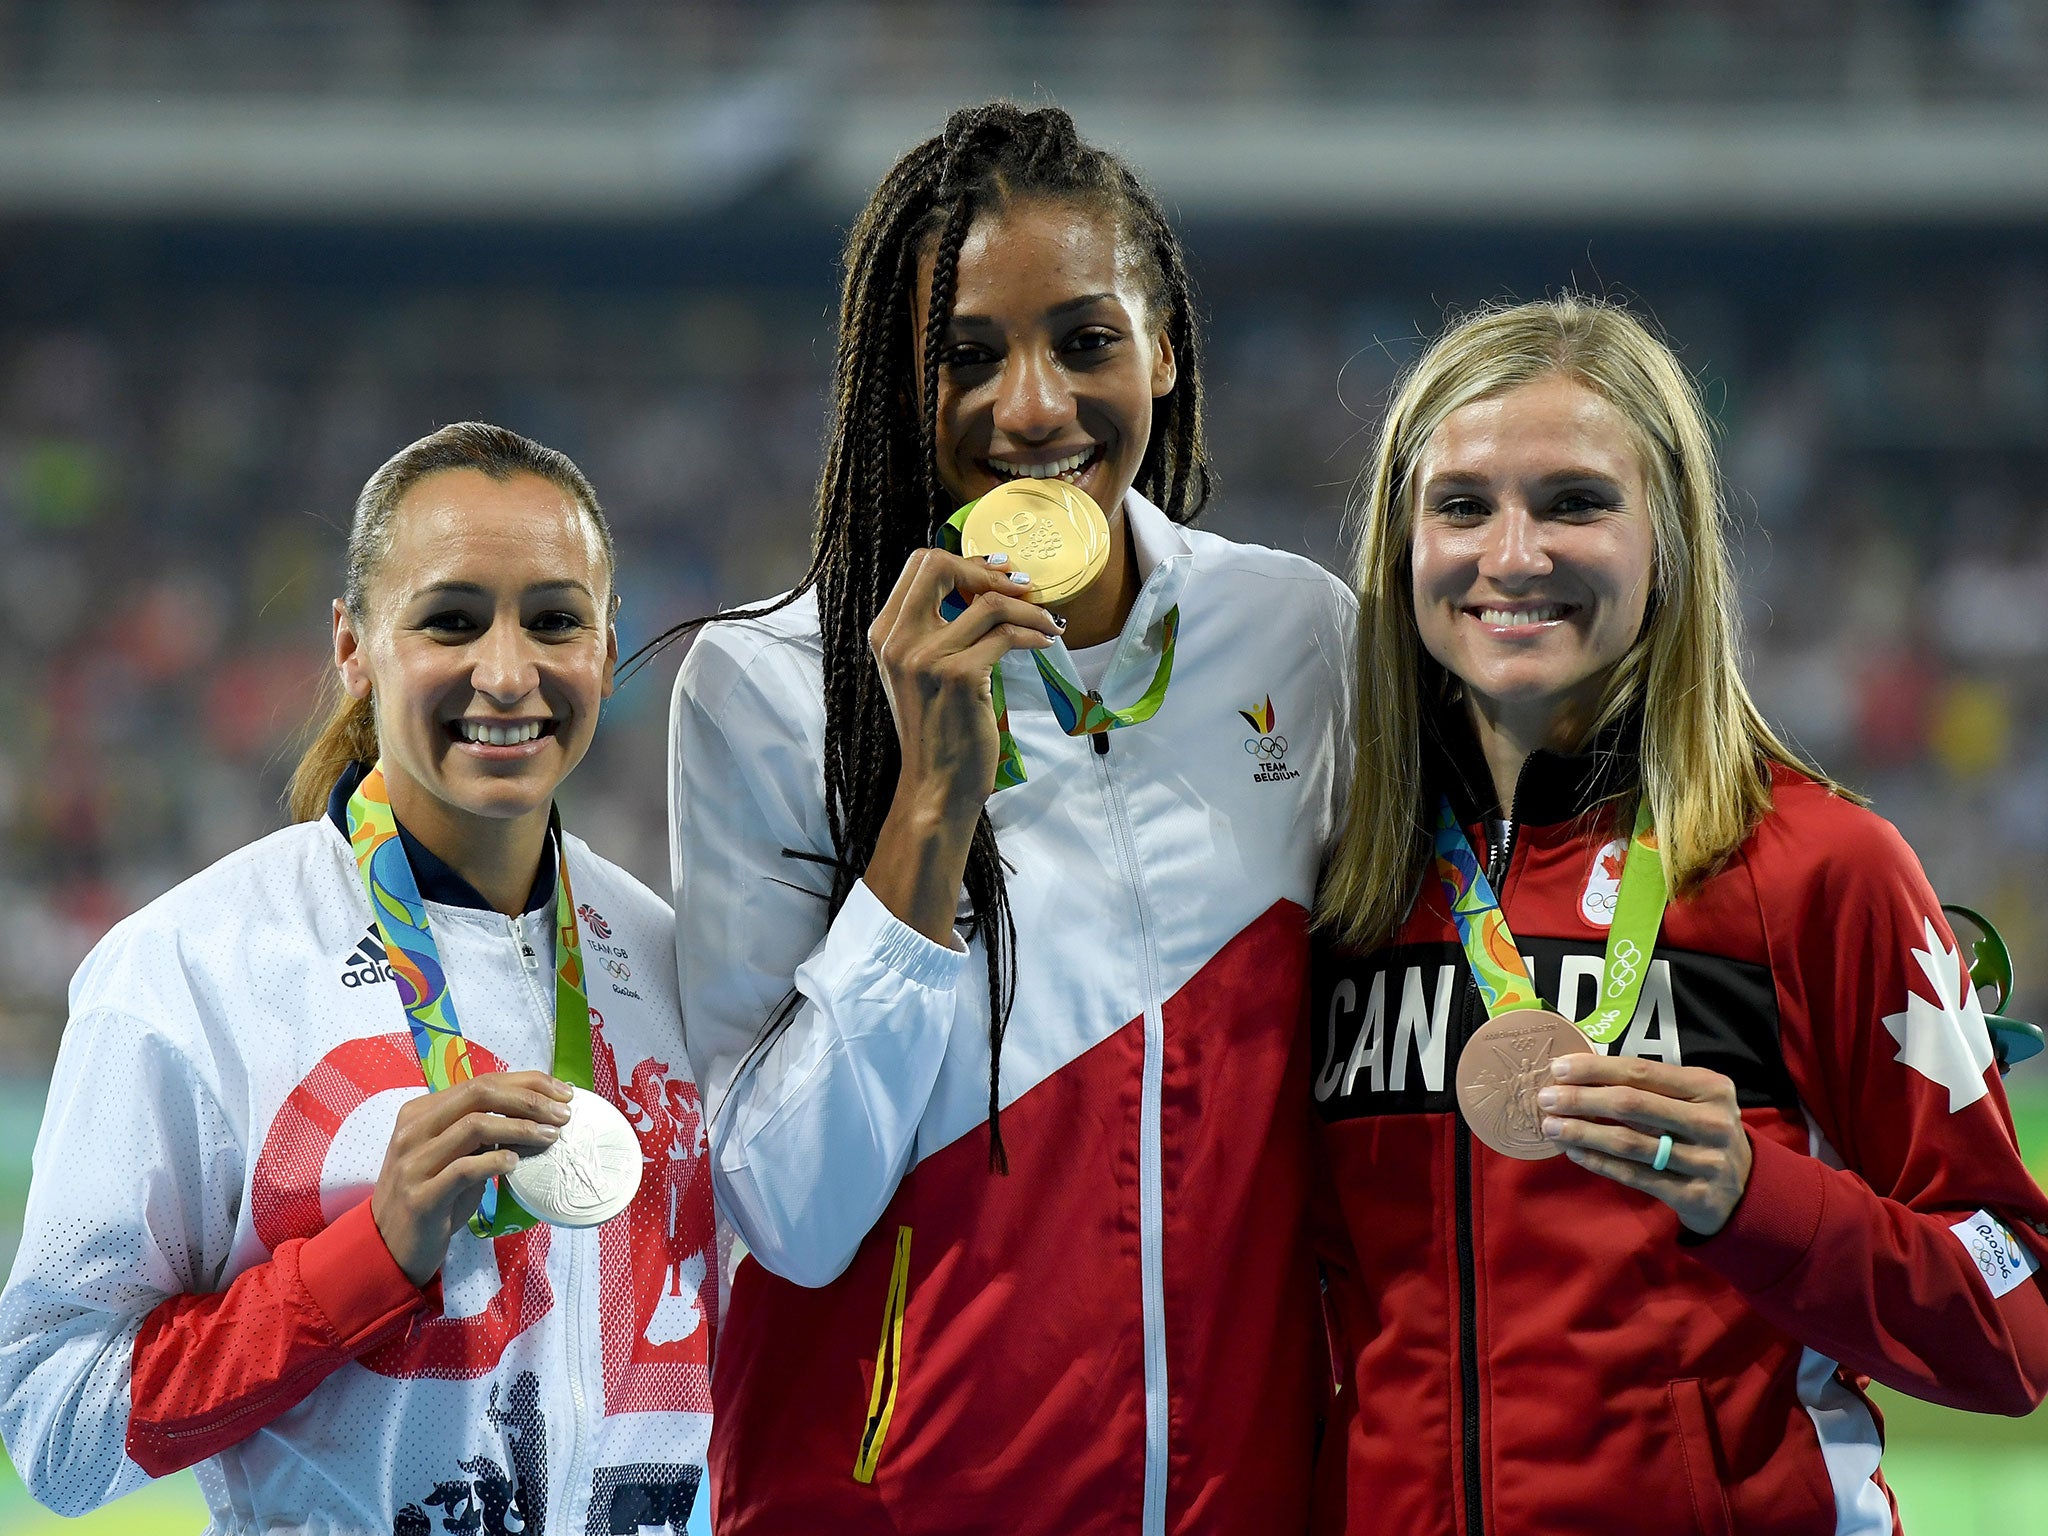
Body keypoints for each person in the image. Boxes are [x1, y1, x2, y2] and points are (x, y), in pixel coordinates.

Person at [663, 102, 1354, 1534]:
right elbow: (789, 1216)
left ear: (1164, 347)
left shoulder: (1294, 635)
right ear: (889, 389)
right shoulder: (773, 687)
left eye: (1084, 340)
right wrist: (928, 802)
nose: (1032, 407)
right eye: (966, 356)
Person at [1310, 297, 2048, 1536]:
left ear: (1670, 541)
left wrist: (1755, 1198)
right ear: (1399, 547)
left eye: (1573, 502)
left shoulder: (1824, 868)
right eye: (1460, 506)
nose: (1511, 554)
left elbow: (2015, 1312)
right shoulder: (1331, 883)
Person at [0, 424, 717, 1534]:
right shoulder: (190, 968)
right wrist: (367, 1259)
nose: (507, 671)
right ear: (353, 646)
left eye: (555, 620)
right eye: (451, 619)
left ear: (608, 647)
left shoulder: (671, 960)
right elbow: (58, 1430)